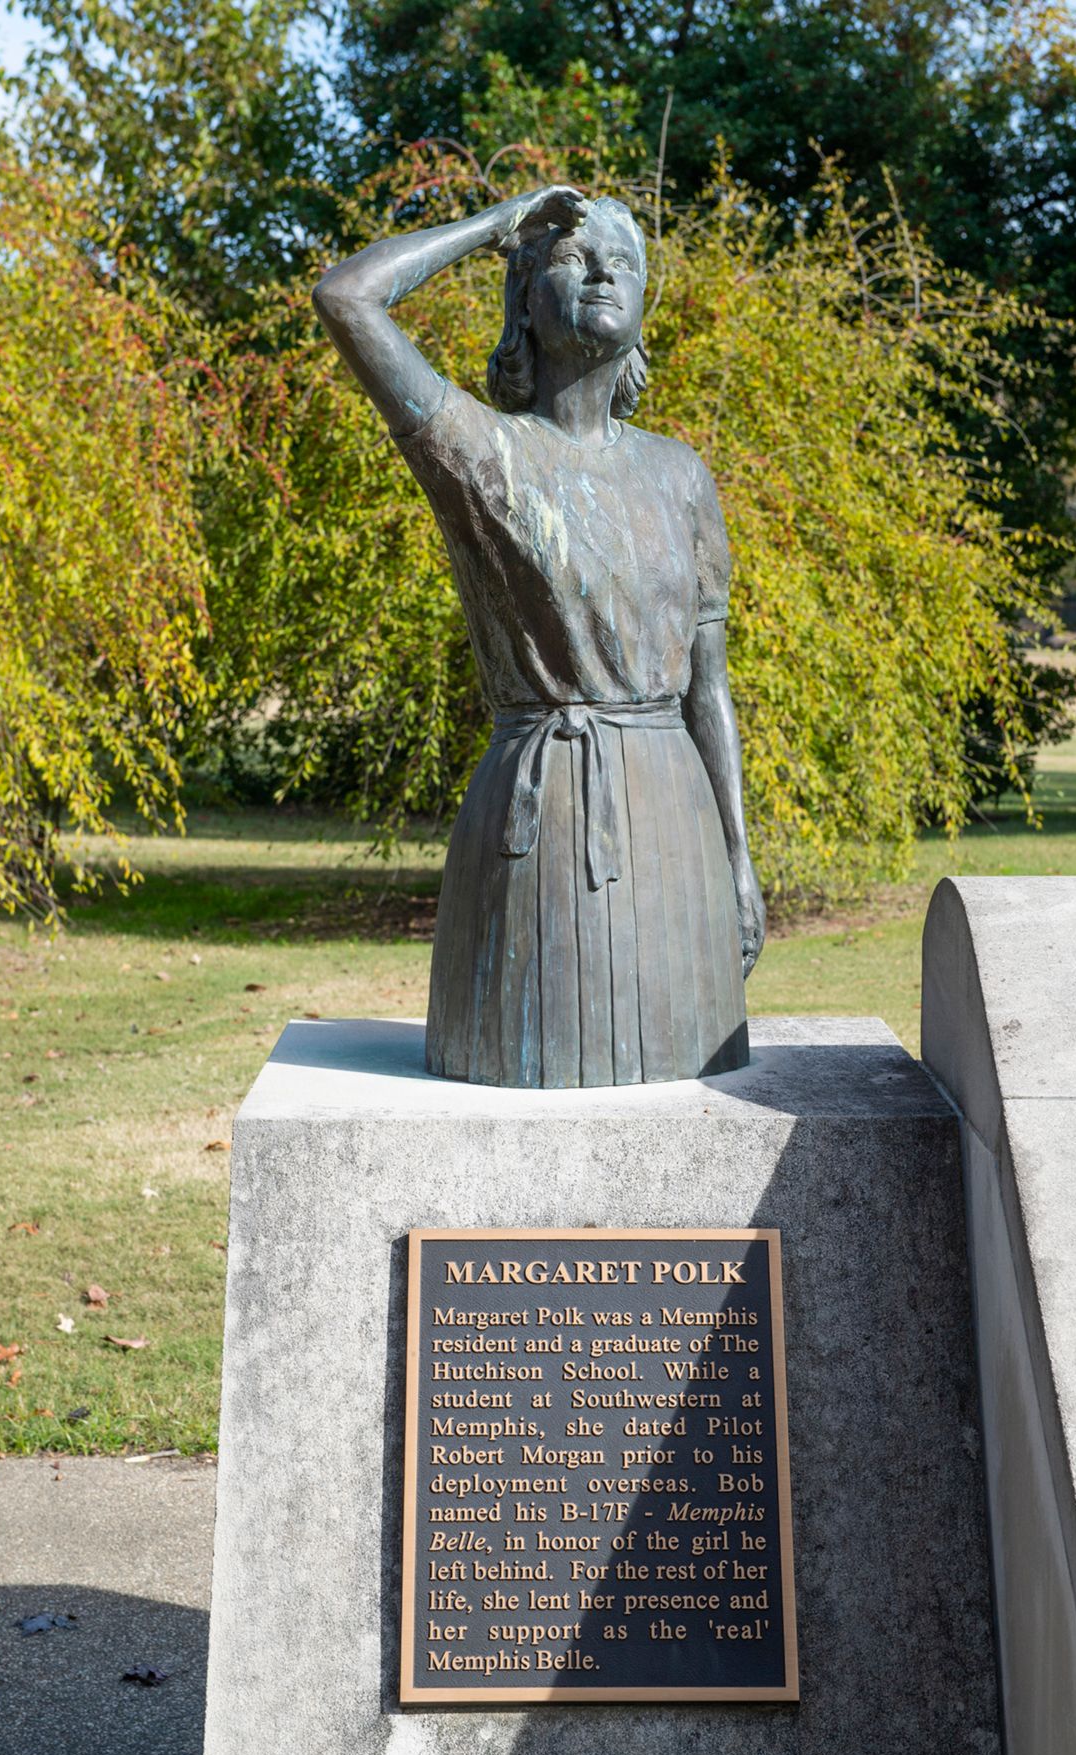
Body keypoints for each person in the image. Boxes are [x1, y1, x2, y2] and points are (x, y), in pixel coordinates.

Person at [313, 185, 764, 1088]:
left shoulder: (680, 475)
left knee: (683, 1093)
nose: (603, 270)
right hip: (539, 821)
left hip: (675, 822)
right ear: (524, 299)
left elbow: (708, 685)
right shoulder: (483, 452)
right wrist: (495, 228)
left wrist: (738, 857)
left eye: (625, 260)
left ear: (644, 309)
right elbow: (346, 296)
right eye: (571, 256)